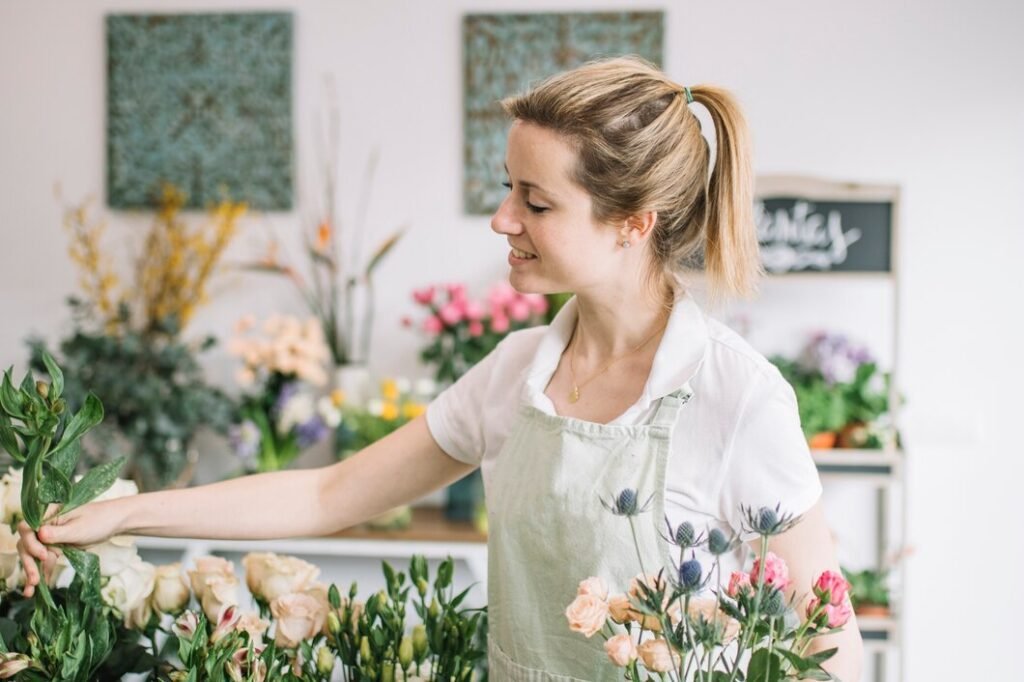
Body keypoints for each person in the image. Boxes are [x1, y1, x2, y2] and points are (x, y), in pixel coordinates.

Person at [19, 56, 862, 679]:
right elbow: (326, 494)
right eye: (508, 188)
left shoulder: (737, 397)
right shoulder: (515, 372)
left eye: (536, 201)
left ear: (633, 224)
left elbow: (828, 640)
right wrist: (120, 514)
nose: (502, 219)